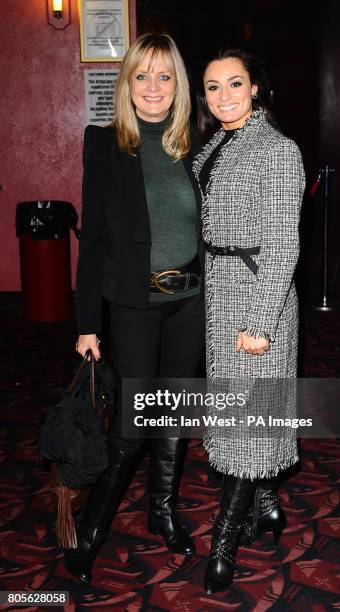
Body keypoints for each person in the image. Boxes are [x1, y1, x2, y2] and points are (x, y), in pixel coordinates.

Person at [64, 33, 204, 584]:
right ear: (126, 83)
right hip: (134, 305)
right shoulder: (104, 144)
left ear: (178, 86)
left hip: (191, 302)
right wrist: (85, 325)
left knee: (172, 417)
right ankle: (92, 530)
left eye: (164, 76)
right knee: (132, 424)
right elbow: (92, 238)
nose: (153, 86)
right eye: (142, 75)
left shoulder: (195, 141)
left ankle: (162, 511)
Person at [193, 49, 305, 594]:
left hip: (259, 293)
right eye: (213, 87)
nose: (224, 96)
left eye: (234, 84)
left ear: (255, 88)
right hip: (219, 292)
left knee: (245, 424)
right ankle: (268, 508)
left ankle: (223, 545)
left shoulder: (278, 150)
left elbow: (284, 244)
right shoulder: (217, 143)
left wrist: (260, 323)